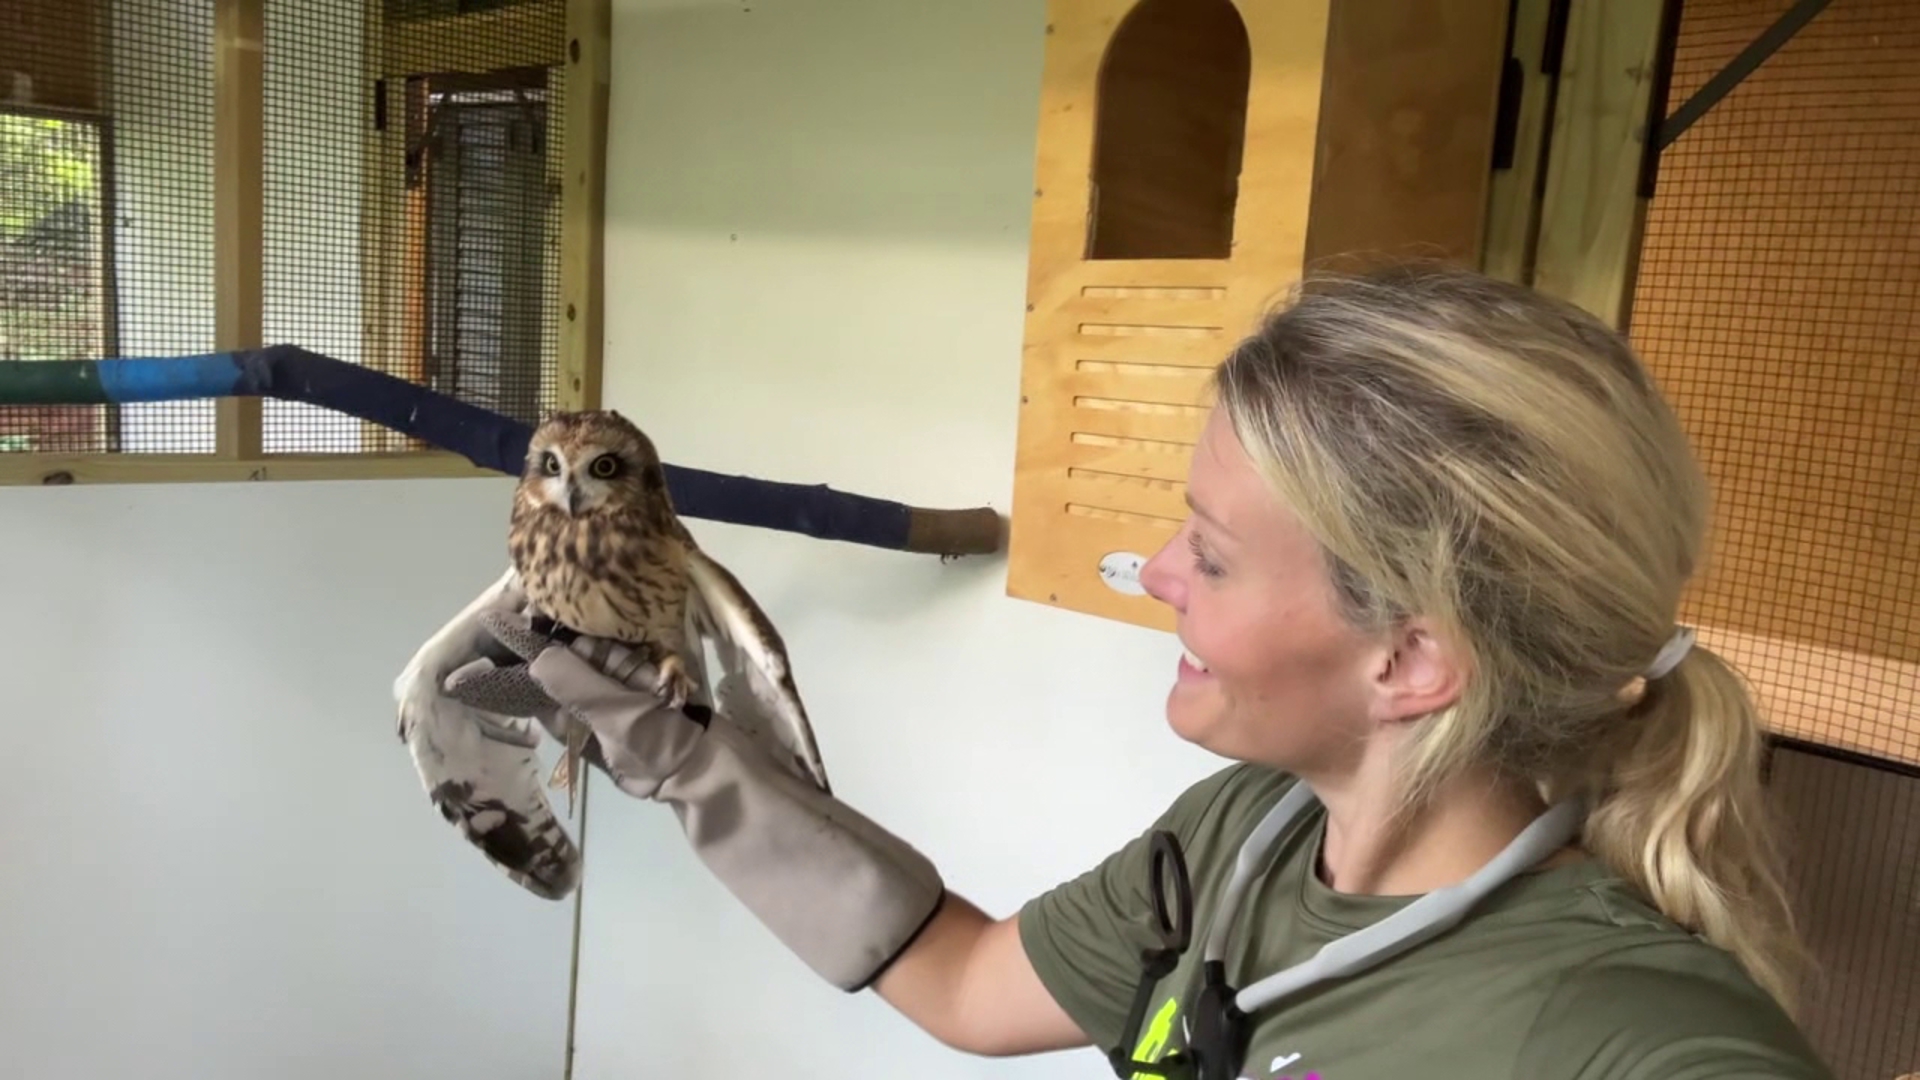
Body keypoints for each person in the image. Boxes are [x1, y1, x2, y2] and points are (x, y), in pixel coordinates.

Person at [445, 260, 1835, 1079]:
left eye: (1213, 557)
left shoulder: (1637, 1048)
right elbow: (978, 986)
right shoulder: (1249, 842)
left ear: (1414, 656)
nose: (1158, 575)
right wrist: (701, 771)